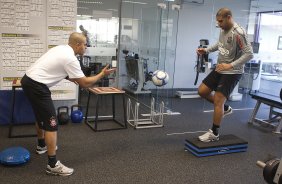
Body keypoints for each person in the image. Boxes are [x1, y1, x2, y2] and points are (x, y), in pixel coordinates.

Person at [21, 32, 115, 176]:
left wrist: (78, 79)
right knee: (52, 124)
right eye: (85, 44)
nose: (86, 47)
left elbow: (68, 75)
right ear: (78, 45)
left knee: (40, 116)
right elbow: (84, 83)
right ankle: (52, 165)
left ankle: (41, 146)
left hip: (27, 80)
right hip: (37, 86)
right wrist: (102, 74)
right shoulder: (70, 58)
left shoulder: (61, 49)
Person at [196, 8, 253, 142]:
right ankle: (225, 108)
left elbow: (249, 54)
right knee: (202, 91)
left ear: (229, 17)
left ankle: (214, 133)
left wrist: (230, 65)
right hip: (221, 68)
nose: (219, 24)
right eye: (218, 21)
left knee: (218, 99)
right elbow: (220, 44)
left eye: (221, 21)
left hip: (233, 71)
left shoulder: (239, 33)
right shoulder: (223, 29)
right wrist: (206, 50)